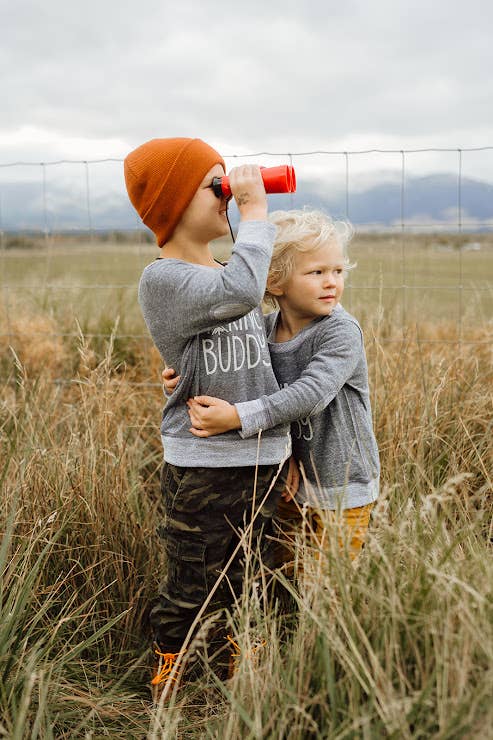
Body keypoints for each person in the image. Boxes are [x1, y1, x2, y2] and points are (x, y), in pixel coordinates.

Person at [124, 138, 292, 697]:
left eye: (228, 182)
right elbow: (241, 292)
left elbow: (239, 322)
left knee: (254, 575)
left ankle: (243, 672)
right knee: (192, 579)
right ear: (172, 205)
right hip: (203, 465)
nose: (227, 192)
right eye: (212, 184)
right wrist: (256, 211)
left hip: (261, 455)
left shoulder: (222, 270)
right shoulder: (164, 278)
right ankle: (171, 669)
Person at [164, 208, 379, 574]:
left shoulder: (340, 333)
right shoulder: (263, 329)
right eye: (317, 273)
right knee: (285, 576)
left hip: (342, 485)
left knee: (327, 587)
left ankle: (321, 634)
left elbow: (309, 395)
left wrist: (236, 417)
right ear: (274, 282)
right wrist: (181, 375)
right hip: (288, 478)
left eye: (338, 271)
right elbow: (234, 371)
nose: (332, 283)